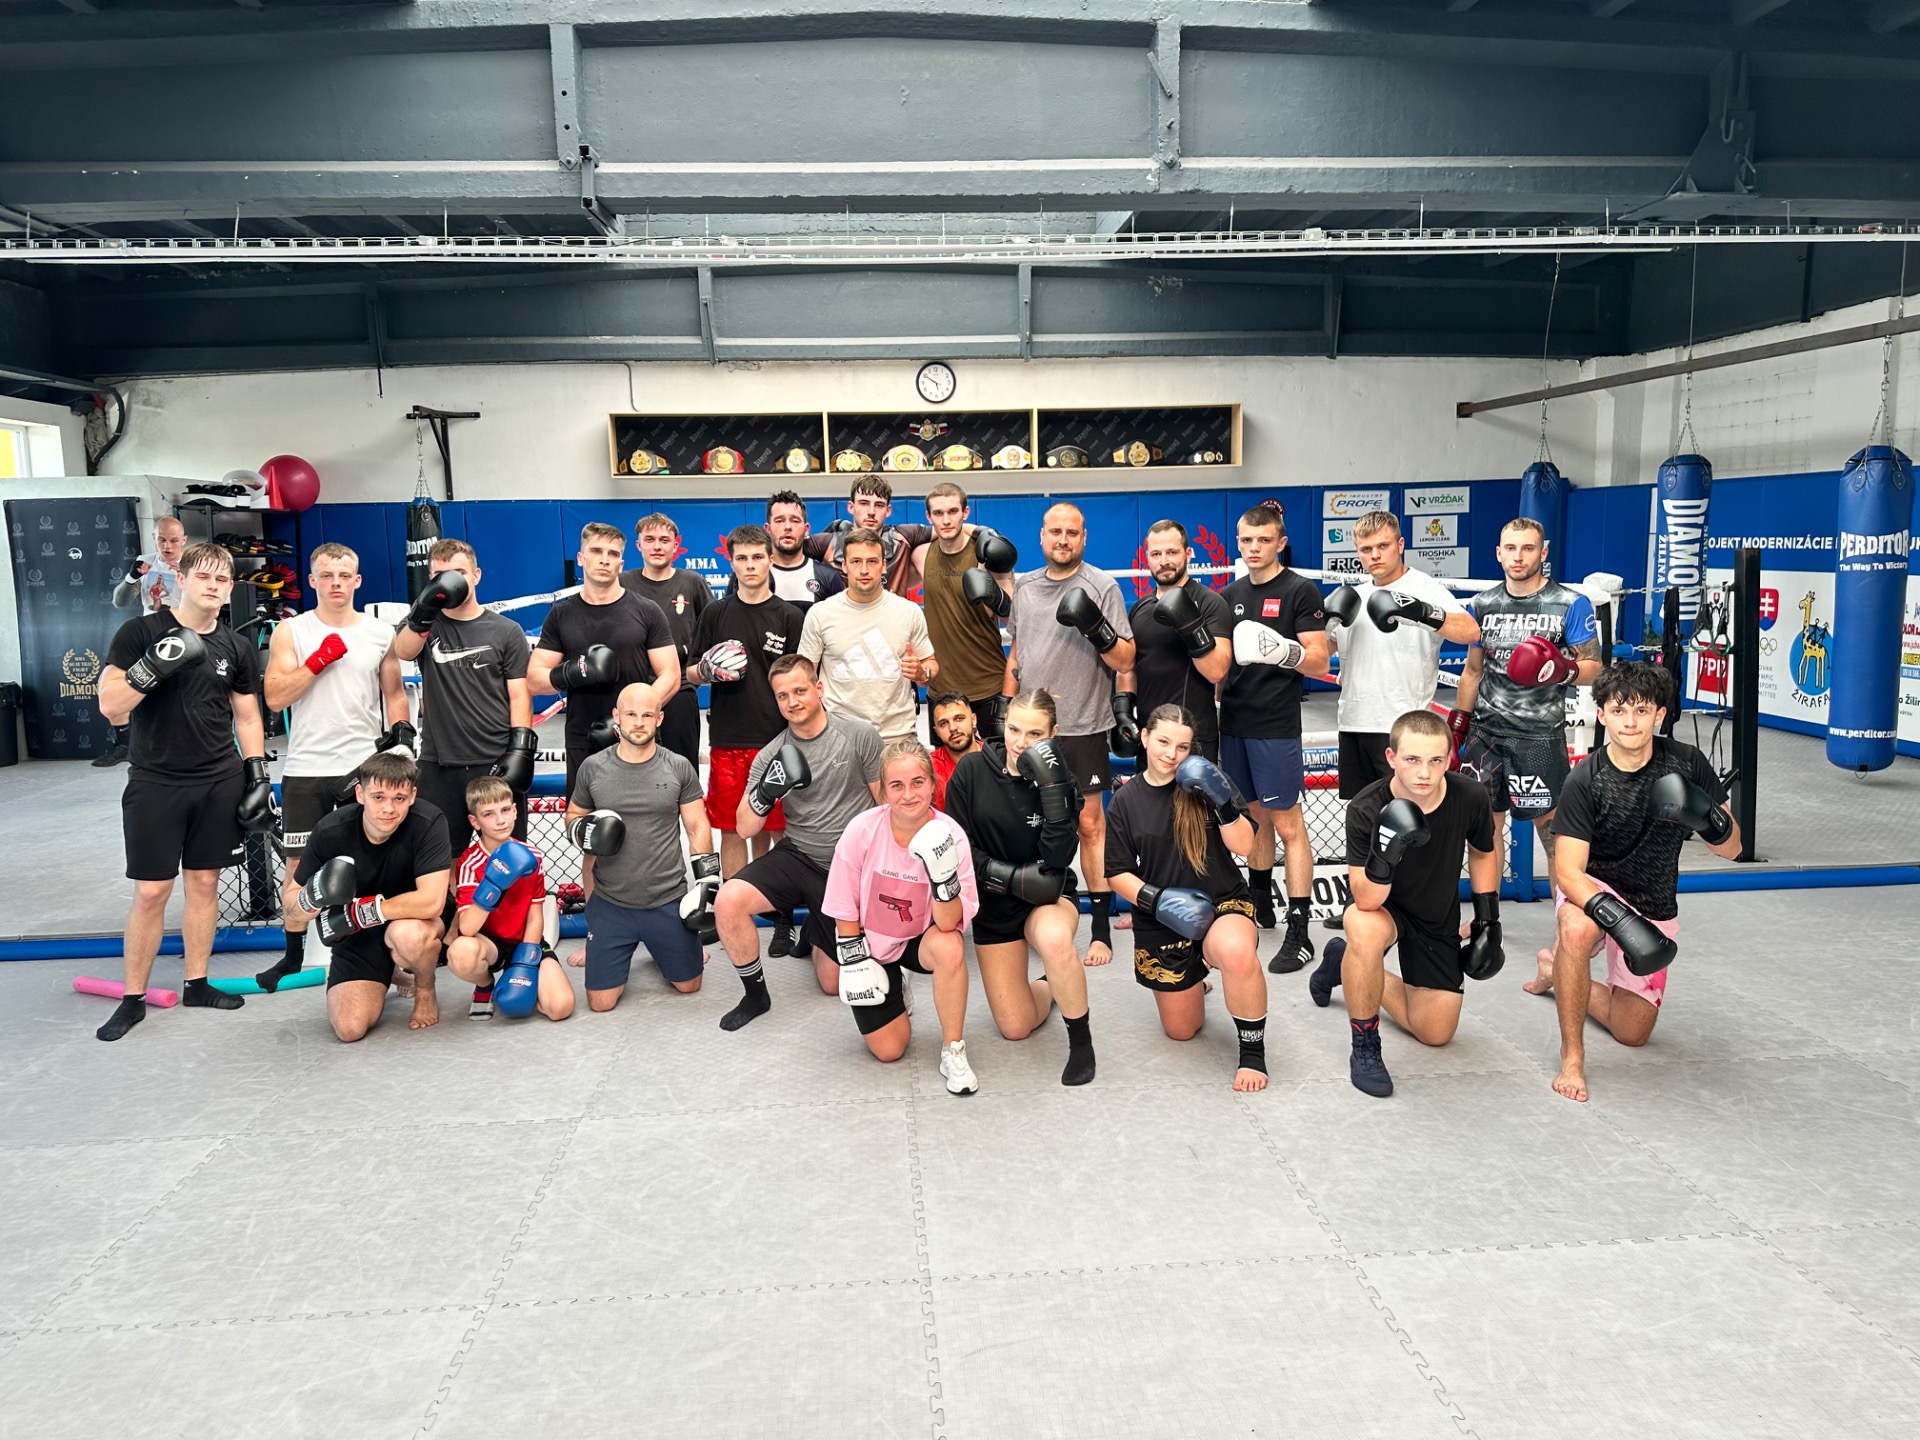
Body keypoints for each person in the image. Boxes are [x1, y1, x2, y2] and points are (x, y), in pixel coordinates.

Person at [1527, 662, 1740, 1103]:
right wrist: (1620, 922)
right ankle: (1572, 1056)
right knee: (1576, 929)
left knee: (1632, 1033)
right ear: (1601, 714)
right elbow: (1568, 871)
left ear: (1659, 715)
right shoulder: (1586, 779)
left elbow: (1733, 849)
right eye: (1619, 710)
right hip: (1594, 889)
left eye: (1641, 711)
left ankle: (1555, 971)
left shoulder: (1686, 763)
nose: (1630, 722)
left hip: (1652, 897)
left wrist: (1709, 819)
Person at [93, 541, 272, 1041]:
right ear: (183, 579)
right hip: (155, 780)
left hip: (218, 779)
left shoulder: (235, 646)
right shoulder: (140, 633)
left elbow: (247, 716)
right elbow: (110, 705)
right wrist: (152, 667)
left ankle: (197, 983)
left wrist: (257, 774)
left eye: (222, 579)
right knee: (152, 891)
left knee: (205, 884)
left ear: (230, 587)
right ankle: (132, 998)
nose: (213, 586)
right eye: (204, 577)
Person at [1309, 709, 1502, 1099]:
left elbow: (1483, 852)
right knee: (1363, 927)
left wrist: (1487, 919)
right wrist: (1386, 852)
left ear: (1449, 758)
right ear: (1392, 757)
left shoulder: (1470, 796)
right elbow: (1366, 898)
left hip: (1436, 915)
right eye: (1412, 759)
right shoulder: (1366, 807)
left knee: (1436, 1033)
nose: (1425, 773)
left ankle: (1345, 963)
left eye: (1436, 760)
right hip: (1383, 909)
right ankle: (1365, 1046)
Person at [258, 541, 411, 992]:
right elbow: (275, 698)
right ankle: (292, 957)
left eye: (344, 576)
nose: (336, 583)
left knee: (369, 866)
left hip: (362, 767)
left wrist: (403, 740)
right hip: (307, 766)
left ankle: (381, 960)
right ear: (312, 580)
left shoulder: (379, 633)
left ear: (357, 581)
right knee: (297, 866)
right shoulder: (292, 631)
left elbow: (395, 694)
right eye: (326, 575)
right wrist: (316, 662)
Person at [713, 655, 884, 1031]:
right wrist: (765, 793)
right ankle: (755, 995)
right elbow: (744, 828)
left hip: (851, 865)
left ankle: (813, 933)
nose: (792, 701)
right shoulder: (771, 755)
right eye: (782, 695)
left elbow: (885, 806)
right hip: (800, 856)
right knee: (728, 900)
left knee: (832, 984)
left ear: (818, 689)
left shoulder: (858, 735)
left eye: (800, 691)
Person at [1104, 705, 1268, 1092]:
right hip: (1162, 916)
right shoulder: (1126, 800)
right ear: (1144, 737)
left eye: (1182, 746)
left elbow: (1246, 846)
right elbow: (1117, 873)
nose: (1171, 754)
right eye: (1163, 741)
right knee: (1182, 1030)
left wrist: (1221, 803)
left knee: (1236, 952)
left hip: (1223, 902)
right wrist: (1157, 900)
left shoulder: (1207, 780)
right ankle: (1198, 976)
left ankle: (1252, 1052)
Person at [1003, 502, 1135, 965]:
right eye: (1055, 531)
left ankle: (1099, 930)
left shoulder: (1102, 586)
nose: (1063, 540)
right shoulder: (1025, 587)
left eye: (1072, 533)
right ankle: (1034, 916)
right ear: (1042, 536)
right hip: (1031, 728)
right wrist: (1004, 709)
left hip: (1082, 725)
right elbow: (1017, 652)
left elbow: (1125, 659)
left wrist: (1097, 629)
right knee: (1027, 822)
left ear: (1084, 537)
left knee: (1089, 825)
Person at [944, 688, 1096, 1086]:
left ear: (1053, 734)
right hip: (995, 901)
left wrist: (1053, 792)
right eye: (1014, 729)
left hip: (1046, 895)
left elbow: (1058, 857)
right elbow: (958, 848)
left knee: (1055, 940)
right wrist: (1008, 877)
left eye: (1034, 734)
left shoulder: (1063, 780)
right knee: (1015, 1026)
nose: (1020, 742)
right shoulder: (971, 771)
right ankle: (1049, 986)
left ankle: (1081, 1043)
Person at [821, 741, 982, 1093]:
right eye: (897, 785)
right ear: (883, 791)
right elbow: (843, 904)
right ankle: (897, 987)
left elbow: (948, 924)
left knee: (950, 947)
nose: (908, 795)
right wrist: (855, 962)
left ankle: (953, 1050)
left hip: (919, 939)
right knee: (889, 1050)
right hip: (871, 943)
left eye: (917, 782)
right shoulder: (862, 830)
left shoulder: (951, 836)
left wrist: (943, 879)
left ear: (933, 784)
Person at [1217, 504, 1331, 973]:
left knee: (1287, 824)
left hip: (1276, 725)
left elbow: (1320, 661)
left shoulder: (1299, 590)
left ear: (1280, 542)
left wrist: (1283, 651)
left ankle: (1299, 930)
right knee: (1254, 818)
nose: (1254, 548)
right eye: (1246, 540)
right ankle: (1260, 903)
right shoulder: (1229, 594)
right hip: (1233, 722)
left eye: (1264, 540)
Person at [1453, 516, 1601, 871]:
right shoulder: (1482, 604)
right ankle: (1488, 909)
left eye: (1528, 548)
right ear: (1498, 553)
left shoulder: (1569, 603)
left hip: (1539, 737)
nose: (1518, 557)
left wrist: (1563, 669)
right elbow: (1473, 671)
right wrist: (1458, 729)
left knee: (1556, 840)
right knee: (1483, 835)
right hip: (1485, 736)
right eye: (1511, 548)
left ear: (1543, 553)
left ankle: (1565, 910)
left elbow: (1595, 668)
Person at [562, 683, 717, 1010]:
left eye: (647, 715)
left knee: (689, 986)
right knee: (601, 1003)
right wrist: (581, 830)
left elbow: (697, 825)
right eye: (631, 714)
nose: (638, 722)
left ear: (659, 719)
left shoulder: (678, 766)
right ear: (617, 716)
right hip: (612, 902)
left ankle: (663, 948)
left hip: (667, 899)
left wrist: (708, 882)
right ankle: (625, 944)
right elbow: (574, 814)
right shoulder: (593, 767)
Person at [691, 523, 807, 952]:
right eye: (742, 558)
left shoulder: (789, 616)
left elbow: (801, 678)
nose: (751, 565)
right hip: (728, 737)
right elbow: (690, 672)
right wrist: (707, 669)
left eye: (758, 557)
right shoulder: (715, 613)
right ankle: (733, 913)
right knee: (732, 829)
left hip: (778, 739)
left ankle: (782, 916)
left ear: (771, 559)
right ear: (732, 561)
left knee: (780, 831)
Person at [290, 751, 452, 1039]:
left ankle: (425, 988)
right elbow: (290, 904)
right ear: (360, 794)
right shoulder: (331, 831)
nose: (388, 808)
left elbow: (431, 902)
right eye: (378, 797)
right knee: (349, 1029)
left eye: (399, 798)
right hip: (359, 932)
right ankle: (390, 972)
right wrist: (311, 898)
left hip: (414, 921)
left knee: (408, 936)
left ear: (412, 796)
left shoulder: (428, 821)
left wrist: (360, 912)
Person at [390, 539, 534, 857]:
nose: (450, 582)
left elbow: (520, 695)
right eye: (440, 576)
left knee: (506, 854)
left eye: (459, 573)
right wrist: (425, 608)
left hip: (494, 759)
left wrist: (521, 749)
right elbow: (403, 650)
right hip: (439, 761)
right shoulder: (425, 624)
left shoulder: (506, 630)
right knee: (441, 858)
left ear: (476, 575)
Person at [1323, 511, 1480, 798]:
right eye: (1366, 549)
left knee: (1408, 812)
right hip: (1353, 723)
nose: (1375, 555)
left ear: (1400, 545)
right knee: (1362, 813)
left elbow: (1470, 631)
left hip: (1406, 727)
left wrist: (1421, 612)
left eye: (1383, 546)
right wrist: (1325, 623)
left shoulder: (1424, 588)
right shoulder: (1352, 597)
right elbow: (1320, 659)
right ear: (1357, 551)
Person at [536, 521, 679, 796]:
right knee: (585, 816)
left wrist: (631, 717)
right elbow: (535, 678)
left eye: (613, 554)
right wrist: (571, 672)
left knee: (646, 815)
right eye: (596, 551)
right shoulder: (561, 615)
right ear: (581, 558)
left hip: (638, 737)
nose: (604, 559)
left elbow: (670, 676)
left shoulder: (647, 611)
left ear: (621, 564)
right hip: (582, 737)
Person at [446, 777, 573, 1022]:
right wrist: (493, 883)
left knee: (560, 1008)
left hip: (526, 940)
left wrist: (525, 964)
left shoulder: (532, 856)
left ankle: (526, 982)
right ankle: (485, 985)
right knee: (461, 953)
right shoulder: (470, 863)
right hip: (490, 944)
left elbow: (535, 916)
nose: (500, 820)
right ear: (475, 821)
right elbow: (467, 928)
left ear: (515, 811)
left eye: (505, 810)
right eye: (489, 814)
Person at [798, 527, 935, 742]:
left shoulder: (908, 612)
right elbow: (804, 676)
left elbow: (930, 665)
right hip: (840, 738)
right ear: (844, 565)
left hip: (898, 737)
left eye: (872, 561)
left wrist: (921, 674)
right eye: (856, 561)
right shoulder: (820, 614)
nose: (864, 570)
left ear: (883, 566)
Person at [1119, 518, 1231, 763]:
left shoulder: (1210, 603)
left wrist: (1189, 623)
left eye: (1172, 552)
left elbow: (1217, 671)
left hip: (1193, 736)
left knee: (1194, 792)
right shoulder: (1140, 608)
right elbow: (1128, 668)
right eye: (1156, 554)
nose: (1164, 561)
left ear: (1188, 554)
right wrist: (1123, 710)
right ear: (1147, 558)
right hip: (1151, 735)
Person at [915, 481, 1016, 737]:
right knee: (945, 764)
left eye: (953, 511)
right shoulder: (921, 555)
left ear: (965, 512)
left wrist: (994, 596)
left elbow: (1014, 621)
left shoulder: (987, 556)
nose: (946, 520)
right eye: (938, 513)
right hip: (941, 692)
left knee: (994, 761)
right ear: (929, 517)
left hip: (988, 686)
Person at [619, 512, 710, 768]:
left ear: (676, 545)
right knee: (630, 767)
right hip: (631, 689)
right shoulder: (622, 583)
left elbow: (712, 628)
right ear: (638, 545)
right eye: (649, 540)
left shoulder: (692, 582)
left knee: (681, 767)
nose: (657, 546)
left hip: (679, 690)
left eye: (664, 540)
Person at [99, 514, 188, 766]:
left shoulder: (194, 563)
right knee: (117, 683)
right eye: (162, 540)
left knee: (179, 696)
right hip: (147, 634)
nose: (167, 546)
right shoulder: (144, 563)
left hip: (182, 635)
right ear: (153, 538)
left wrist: (189, 578)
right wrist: (131, 578)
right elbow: (119, 602)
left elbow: (213, 602)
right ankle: (123, 744)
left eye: (173, 540)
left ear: (184, 540)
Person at [804, 474, 932, 597]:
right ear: (851, 507)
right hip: (842, 611)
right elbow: (792, 550)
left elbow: (943, 531)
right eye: (864, 503)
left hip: (891, 610)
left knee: (925, 551)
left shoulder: (903, 537)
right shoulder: (828, 543)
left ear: (888, 510)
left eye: (879, 505)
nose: (871, 512)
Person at [762, 490, 845, 614]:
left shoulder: (828, 577)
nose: (788, 527)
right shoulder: (751, 575)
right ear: (767, 529)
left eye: (795, 521)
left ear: (806, 529)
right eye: (779, 521)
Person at [926, 690, 980, 810]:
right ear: (936, 732)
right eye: (943, 723)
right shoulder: (929, 768)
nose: (952, 728)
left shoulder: (996, 757)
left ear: (973, 720)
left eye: (959, 718)